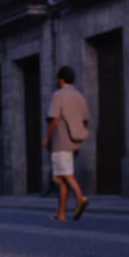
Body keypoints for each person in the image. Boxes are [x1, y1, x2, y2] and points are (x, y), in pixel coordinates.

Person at [44, 65, 91, 222]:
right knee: (63, 179)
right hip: (74, 143)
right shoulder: (79, 96)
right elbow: (85, 119)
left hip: (60, 142)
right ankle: (61, 213)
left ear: (61, 79)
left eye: (57, 79)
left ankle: (80, 198)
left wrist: (46, 138)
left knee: (65, 175)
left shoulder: (58, 95)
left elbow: (54, 120)